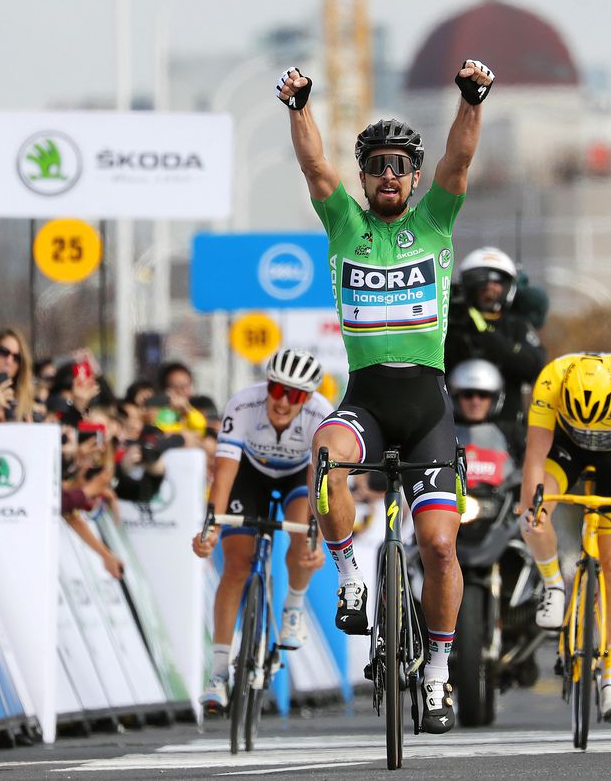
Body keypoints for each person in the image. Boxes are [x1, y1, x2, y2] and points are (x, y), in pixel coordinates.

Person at [277, 57, 494, 733]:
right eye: (379, 166)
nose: (391, 176)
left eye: (402, 165)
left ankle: (435, 676)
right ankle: (348, 575)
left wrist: (470, 100)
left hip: (427, 407)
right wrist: (299, 108)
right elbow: (315, 168)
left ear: (414, 175)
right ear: (365, 176)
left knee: (438, 547)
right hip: (367, 401)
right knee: (323, 449)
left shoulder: (435, 221)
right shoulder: (347, 226)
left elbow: (459, 160)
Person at [518, 352, 611, 725]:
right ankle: (553, 583)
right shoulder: (552, 377)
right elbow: (535, 454)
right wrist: (532, 508)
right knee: (533, 515)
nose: (590, 426)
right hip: (565, 453)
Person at [190, 349, 330, 714]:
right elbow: (224, 474)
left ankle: (293, 608)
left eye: (295, 395)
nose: (283, 401)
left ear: (309, 398)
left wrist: (316, 537)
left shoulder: (322, 415)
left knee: (302, 538)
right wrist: (210, 526)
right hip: (248, 476)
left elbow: (321, 485)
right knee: (237, 565)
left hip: (298, 478)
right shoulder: (243, 405)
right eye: (277, 389)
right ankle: (219, 672)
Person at [445, 247, 546, 450]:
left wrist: (486, 337)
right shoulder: (451, 324)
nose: (490, 288)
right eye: (482, 281)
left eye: (497, 282)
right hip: (453, 429)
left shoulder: (516, 325)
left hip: (508, 432)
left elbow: (535, 365)